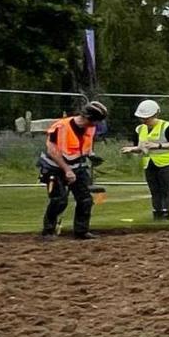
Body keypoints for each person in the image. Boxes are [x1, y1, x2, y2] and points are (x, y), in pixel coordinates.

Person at [39, 100, 108, 240]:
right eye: (95, 121)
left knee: (85, 200)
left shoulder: (90, 128)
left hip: (78, 166)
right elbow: (52, 151)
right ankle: (48, 231)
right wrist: (67, 170)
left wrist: (91, 155)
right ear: (88, 117)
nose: (96, 125)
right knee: (59, 200)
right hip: (54, 167)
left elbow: (84, 146)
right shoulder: (61, 127)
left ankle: (81, 231)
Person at [123, 99, 169, 220]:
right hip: (149, 164)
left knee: (165, 188)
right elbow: (140, 147)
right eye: (142, 118)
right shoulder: (139, 129)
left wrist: (158, 146)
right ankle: (156, 214)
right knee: (154, 190)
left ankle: (165, 214)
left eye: (147, 118)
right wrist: (132, 149)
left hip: (167, 162)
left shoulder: (167, 126)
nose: (144, 121)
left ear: (155, 115)